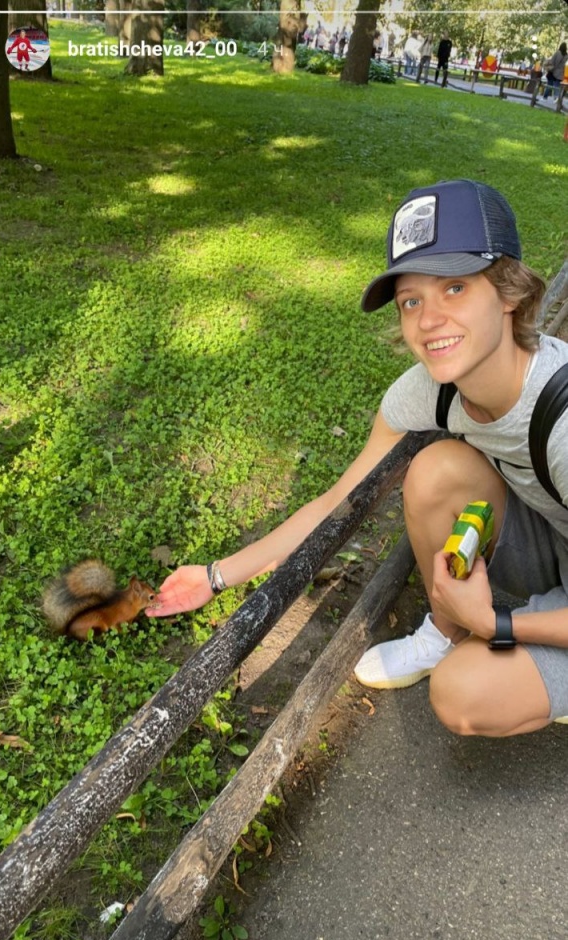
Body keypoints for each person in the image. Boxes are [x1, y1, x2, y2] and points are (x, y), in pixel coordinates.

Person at [147, 178, 568, 739]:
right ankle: (443, 634)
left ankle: (500, 638)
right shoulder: (428, 390)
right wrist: (215, 576)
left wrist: (494, 623)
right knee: (436, 471)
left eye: (455, 288)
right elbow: (335, 502)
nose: (429, 318)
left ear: (510, 291)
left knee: (464, 695)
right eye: (411, 300)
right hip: (550, 537)